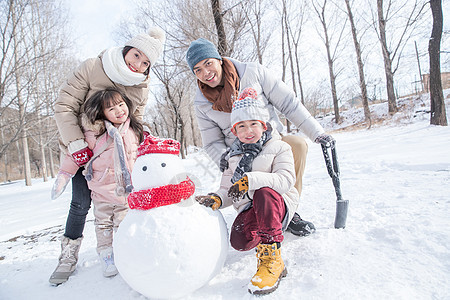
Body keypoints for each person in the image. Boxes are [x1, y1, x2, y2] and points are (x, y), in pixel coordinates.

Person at [49, 27, 165, 285]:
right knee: (80, 204)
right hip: (85, 149)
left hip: (119, 155)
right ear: (126, 50)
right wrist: (76, 142)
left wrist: (143, 133)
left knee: (125, 205)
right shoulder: (94, 66)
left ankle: (125, 250)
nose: (138, 65)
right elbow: (64, 105)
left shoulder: (141, 85)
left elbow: (138, 117)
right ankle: (68, 255)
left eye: (146, 63)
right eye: (136, 56)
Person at [186, 38, 335, 237]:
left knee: (297, 145)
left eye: (208, 63)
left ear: (218, 59)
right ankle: (254, 213)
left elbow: (289, 104)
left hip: (270, 141)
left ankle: (289, 211)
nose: (205, 73)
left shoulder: (253, 72)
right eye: (197, 70)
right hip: (239, 152)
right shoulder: (202, 103)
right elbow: (212, 141)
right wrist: (225, 157)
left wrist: (318, 133)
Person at [196, 87, 299, 295]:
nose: (248, 130)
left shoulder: (279, 147)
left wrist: (250, 180)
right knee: (239, 241)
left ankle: (272, 258)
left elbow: (286, 180)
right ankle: (266, 229)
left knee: (263, 192)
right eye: (241, 126)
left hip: (277, 205)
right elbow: (227, 189)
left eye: (253, 124)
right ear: (234, 131)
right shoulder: (232, 157)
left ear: (263, 125)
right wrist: (217, 198)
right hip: (250, 208)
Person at [52, 88, 143, 278]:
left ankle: (125, 251)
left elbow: (147, 152)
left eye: (121, 104)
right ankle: (106, 254)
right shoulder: (94, 134)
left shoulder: (135, 130)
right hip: (101, 192)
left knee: (123, 224)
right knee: (103, 225)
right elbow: (73, 156)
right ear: (102, 113)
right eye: (111, 108)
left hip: (127, 192)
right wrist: (63, 176)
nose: (119, 110)